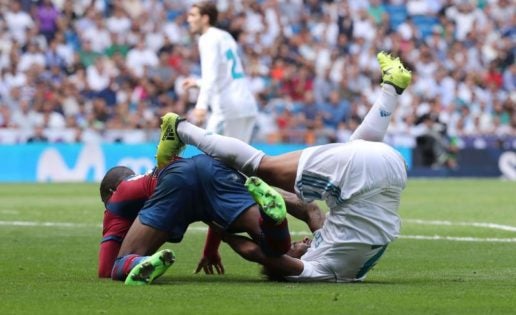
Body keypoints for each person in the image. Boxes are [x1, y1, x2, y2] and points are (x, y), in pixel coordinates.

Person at [158, 51, 412, 282]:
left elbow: (311, 210)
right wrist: (217, 223)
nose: (300, 240)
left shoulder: (353, 267)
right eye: (293, 248)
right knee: (263, 166)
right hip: (364, 175)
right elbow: (258, 253)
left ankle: (391, 88)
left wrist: (251, 192)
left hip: (392, 168)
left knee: (358, 146)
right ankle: (181, 129)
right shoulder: (319, 269)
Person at [98, 156, 324, 283]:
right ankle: (274, 220)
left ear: (111, 191)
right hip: (207, 168)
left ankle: (140, 262)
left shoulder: (118, 198)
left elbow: (104, 269)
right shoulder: (154, 170)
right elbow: (310, 208)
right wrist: (210, 249)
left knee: (119, 266)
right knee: (277, 245)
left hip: (177, 185)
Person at [182, 1, 258, 143]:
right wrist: (197, 83)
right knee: (237, 162)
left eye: (193, 15)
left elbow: (210, 75)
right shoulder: (224, 36)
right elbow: (225, 73)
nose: (189, 19)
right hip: (246, 106)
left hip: (228, 109)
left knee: (211, 158)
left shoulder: (207, 39)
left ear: (205, 18)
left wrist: (201, 107)